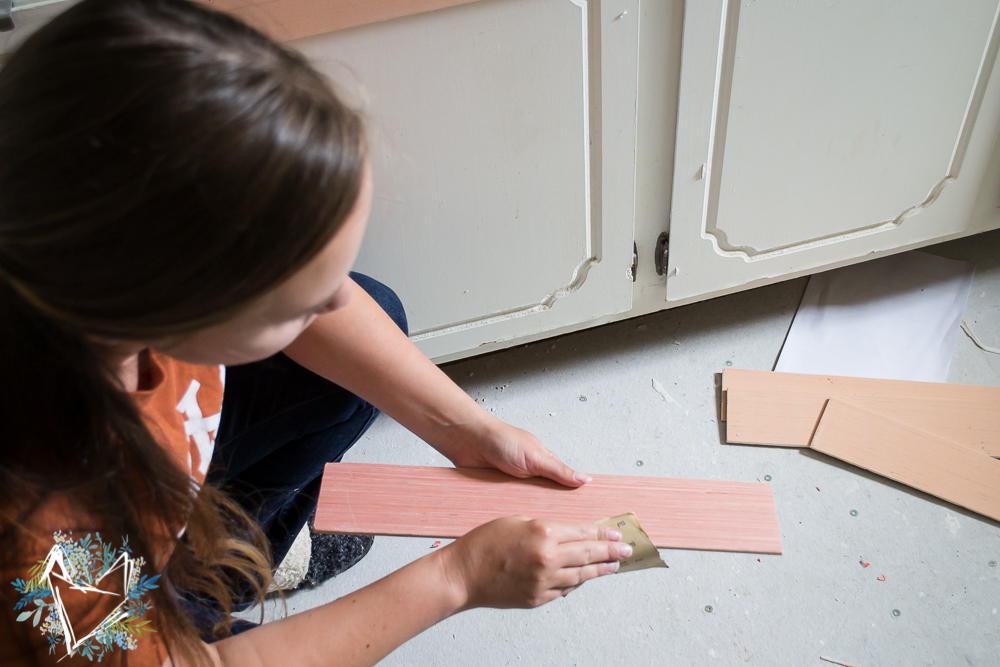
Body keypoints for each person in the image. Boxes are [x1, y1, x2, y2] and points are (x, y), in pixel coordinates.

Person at [0, 1, 632, 666]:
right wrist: (457, 577)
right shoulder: (48, 540)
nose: (338, 301)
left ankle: (217, 575)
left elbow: (343, 313)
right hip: (107, 629)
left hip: (138, 517)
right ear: (171, 299)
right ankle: (191, 608)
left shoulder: (76, 266)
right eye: (302, 300)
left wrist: (464, 427)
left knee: (376, 318)